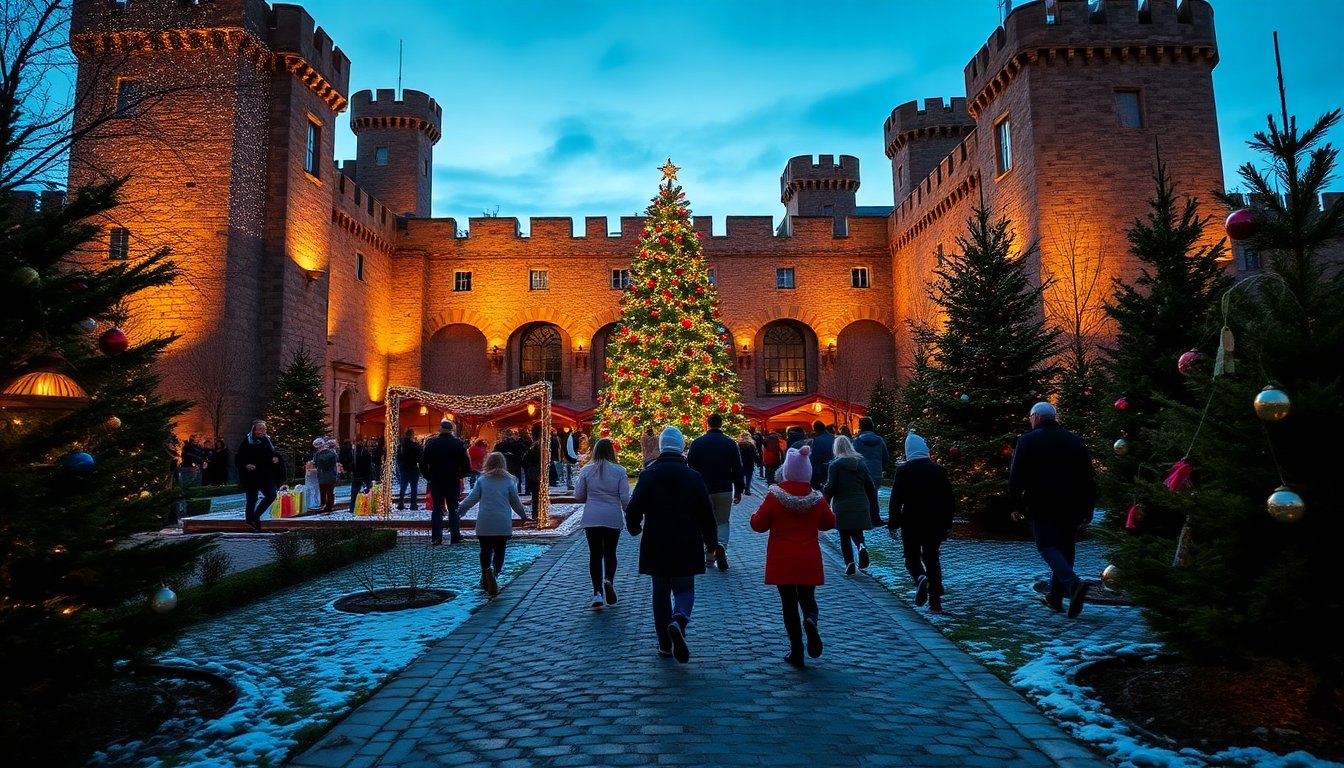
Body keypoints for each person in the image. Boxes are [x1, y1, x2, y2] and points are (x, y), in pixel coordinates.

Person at [626, 426, 717, 663]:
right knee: (685, 589)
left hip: (657, 542)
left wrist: (634, 527)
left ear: (661, 446)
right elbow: (707, 514)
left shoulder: (648, 475)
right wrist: (711, 542)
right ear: (681, 447)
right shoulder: (694, 477)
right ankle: (679, 619)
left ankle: (665, 644)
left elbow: (634, 508)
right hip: (687, 541)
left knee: (660, 594)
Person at [1009, 401, 1097, 618]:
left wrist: (1015, 505)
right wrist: (1088, 507)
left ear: (1037, 417)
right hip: (1072, 504)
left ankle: (1072, 584)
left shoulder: (1027, 440)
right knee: (1066, 548)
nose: (1030, 420)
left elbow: (1016, 476)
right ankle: (1055, 598)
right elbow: (1088, 477)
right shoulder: (1075, 440)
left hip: (1041, 503)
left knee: (1047, 546)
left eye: (1030, 416)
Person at [750, 445, 836, 667]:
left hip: (783, 559)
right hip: (808, 558)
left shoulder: (775, 497)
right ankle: (810, 620)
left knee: (788, 604)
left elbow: (759, 525)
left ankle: (796, 651)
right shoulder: (816, 498)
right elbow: (829, 523)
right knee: (808, 599)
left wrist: (752, 516)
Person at [887, 432, 955, 613]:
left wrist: (893, 523)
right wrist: (947, 522)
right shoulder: (938, 470)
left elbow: (896, 499)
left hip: (912, 521)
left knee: (911, 557)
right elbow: (949, 499)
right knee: (932, 557)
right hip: (935, 522)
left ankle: (919, 577)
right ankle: (935, 602)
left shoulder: (904, 471)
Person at [457, 451, 527, 597]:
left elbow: (471, 499)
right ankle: (494, 573)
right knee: (500, 551)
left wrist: (459, 511)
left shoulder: (482, 480)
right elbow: (515, 502)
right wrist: (523, 515)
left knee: (485, 551)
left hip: (485, 522)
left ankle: (485, 575)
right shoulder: (509, 481)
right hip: (502, 522)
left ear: (487, 463)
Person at [574, 437, 631, 609]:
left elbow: (579, 496)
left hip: (592, 516)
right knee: (610, 552)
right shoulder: (620, 471)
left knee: (595, 554)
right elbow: (624, 498)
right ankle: (609, 580)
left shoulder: (587, 470)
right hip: (612, 516)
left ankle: (597, 592)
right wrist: (632, 514)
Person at [686, 413, 743, 571]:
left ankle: (709, 557)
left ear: (707, 424)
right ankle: (721, 546)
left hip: (703, 489)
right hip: (724, 488)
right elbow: (738, 468)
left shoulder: (697, 443)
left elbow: (690, 466)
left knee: (704, 522)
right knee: (722, 521)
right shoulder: (730, 443)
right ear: (721, 424)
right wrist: (739, 490)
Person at [823, 435, 881, 576]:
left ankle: (849, 562)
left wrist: (825, 500)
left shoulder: (835, 466)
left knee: (844, 535)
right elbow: (870, 486)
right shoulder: (860, 463)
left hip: (842, 505)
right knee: (857, 531)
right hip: (860, 503)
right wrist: (873, 505)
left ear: (836, 448)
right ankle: (861, 546)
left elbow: (831, 487)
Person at [420, 419, 472, 545]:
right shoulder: (458, 444)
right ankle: (455, 536)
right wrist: (460, 475)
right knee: (453, 508)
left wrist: (429, 477)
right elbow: (466, 464)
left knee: (437, 508)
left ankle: (437, 537)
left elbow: (423, 464)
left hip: (436, 480)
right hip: (452, 480)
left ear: (440, 429)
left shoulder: (431, 444)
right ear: (451, 431)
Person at [235, 420, 280, 532]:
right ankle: (251, 520)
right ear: (254, 429)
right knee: (252, 499)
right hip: (252, 475)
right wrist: (246, 465)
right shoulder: (248, 440)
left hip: (265, 474)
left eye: (264, 429)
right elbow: (239, 457)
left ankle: (256, 516)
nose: (262, 431)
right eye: (260, 429)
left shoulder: (267, 440)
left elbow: (273, 452)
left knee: (271, 495)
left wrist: (275, 457)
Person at [852, 416, 890, 487]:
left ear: (860, 426)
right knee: (874, 494)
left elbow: (853, 458)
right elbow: (885, 457)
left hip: (862, 473)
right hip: (877, 472)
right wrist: (882, 468)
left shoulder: (857, 441)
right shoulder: (880, 440)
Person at [396, 428, 423, 510]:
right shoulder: (415, 445)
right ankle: (413, 504)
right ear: (412, 435)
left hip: (404, 468)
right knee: (414, 487)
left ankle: (401, 503)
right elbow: (420, 456)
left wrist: (401, 466)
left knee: (403, 486)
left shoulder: (401, 445)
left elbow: (398, 457)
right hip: (414, 468)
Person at [313, 438, 339, 514]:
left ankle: (323, 505)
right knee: (330, 492)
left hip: (322, 475)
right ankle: (329, 506)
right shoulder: (333, 454)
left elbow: (316, 464)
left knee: (323, 491)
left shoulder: (318, 454)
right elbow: (335, 463)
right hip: (331, 475)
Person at [807, 420, 835, 490]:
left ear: (815, 429)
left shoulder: (817, 441)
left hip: (824, 472)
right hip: (836, 469)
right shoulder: (835, 438)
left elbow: (815, 459)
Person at [736, 432, 759, 496]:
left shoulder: (739, 445)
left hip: (741, 463)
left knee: (742, 476)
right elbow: (755, 454)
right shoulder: (751, 445)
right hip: (750, 463)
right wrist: (757, 461)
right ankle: (747, 488)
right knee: (749, 477)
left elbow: (737, 455)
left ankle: (742, 487)